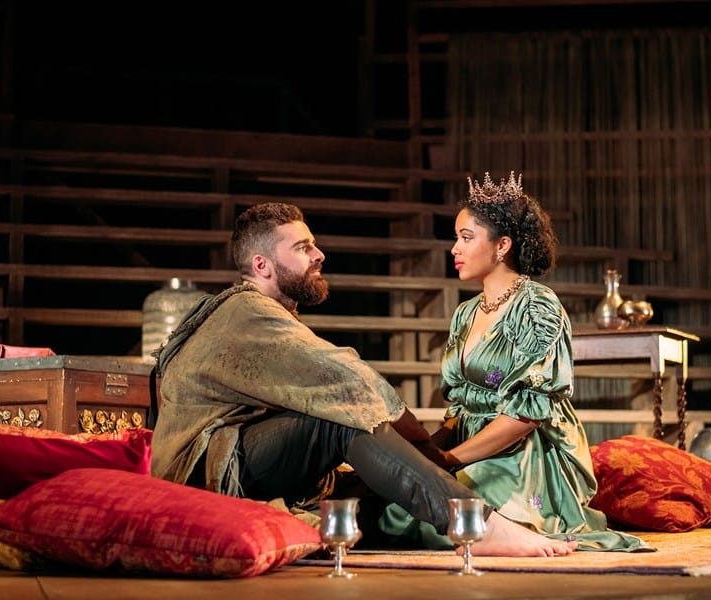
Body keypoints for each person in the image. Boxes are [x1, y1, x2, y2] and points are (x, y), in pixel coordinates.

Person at [149, 201, 578, 557]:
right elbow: (349, 380)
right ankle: (475, 523)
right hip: (212, 470)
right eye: (302, 248)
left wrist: (423, 456)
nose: (318, 255)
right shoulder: (247, 312)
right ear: (261, 264)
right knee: (343, 417)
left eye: (314, 244)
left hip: (246, 459)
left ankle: (429, 517)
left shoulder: (533, 303)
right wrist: (429, 450)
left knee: (376, 484)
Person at [377, 172, 651, 552]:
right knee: (396, 510)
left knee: (457, 520)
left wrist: (449, 459)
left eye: (466, 237)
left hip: (525, 454)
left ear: (502, 245)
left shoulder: (538, 307)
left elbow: (526, 416)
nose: (454, 249)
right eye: (456, 237)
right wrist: (427, 455)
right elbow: (459, 409)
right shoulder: (465, 313)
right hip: (468, 444)